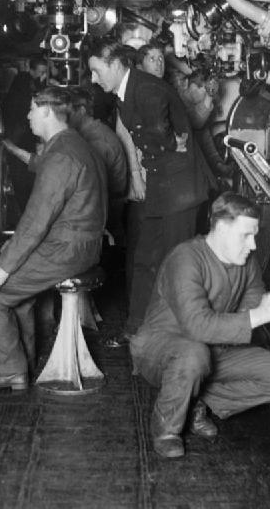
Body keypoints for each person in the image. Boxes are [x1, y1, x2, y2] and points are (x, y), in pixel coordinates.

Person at [129, 192, 270, 458]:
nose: (253, 245)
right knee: (193, 353)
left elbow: (251, 301)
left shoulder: (246, 262)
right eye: (246, 235)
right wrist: (259, 316)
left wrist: (264, 304)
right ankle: (166, 428)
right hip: (160, 349)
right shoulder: (185, 258)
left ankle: (196, 399)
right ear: (220, 228)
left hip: (213, 348)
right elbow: (196, 325)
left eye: (254, 235)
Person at [0, 85, 107, 391]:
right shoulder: (73, 146)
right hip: (79, 244)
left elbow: (36, 220)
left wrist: (4, 268)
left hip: (66, 249)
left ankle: (8, 370)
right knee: (16, 292)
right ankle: (23, 364)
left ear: (46, 111)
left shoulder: (61, 156)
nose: (28, 116)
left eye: (32, 109)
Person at [88, 38, 209, 337]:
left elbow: (160, 134)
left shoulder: (146, 88)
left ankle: (174, 333)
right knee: (144, 259)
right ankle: (137, 325)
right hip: (162, 186)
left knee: (174, 264)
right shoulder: (126, 91)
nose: (93, 78)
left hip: (180, 192)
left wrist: (169, 144)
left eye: (96, 70)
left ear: (115, 65)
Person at [1, 57, 48, 214]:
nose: (43, 75)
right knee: (23, 179)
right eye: (41, 72)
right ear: (32, 70)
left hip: (21, 136)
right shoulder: (24, 85)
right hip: (21, 136)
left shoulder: (25, 84)